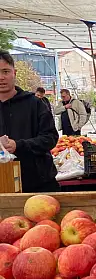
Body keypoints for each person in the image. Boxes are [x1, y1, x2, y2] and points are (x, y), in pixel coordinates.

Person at [0, 51, 60, 192]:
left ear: (14, 72)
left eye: (5, 71)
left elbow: (50, 138)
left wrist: (19, 145)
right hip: (3, 185)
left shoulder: (34, 104)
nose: (1, 77)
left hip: (38, 184)